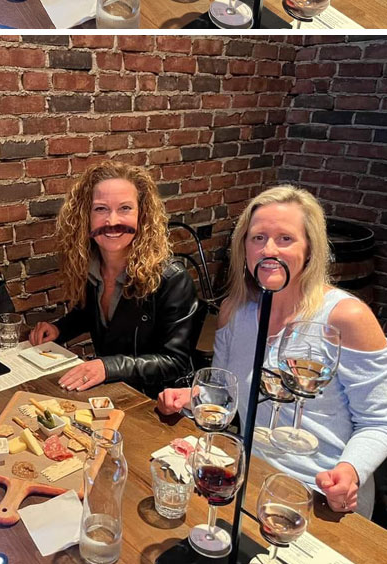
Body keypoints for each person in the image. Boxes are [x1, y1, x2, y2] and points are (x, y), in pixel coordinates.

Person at [157, 185, 387, 519]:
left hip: (322, 495)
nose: (269, 249)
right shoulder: (235, 311)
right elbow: (221, 392)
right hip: (250, 476)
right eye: (258, 238)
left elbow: (379, 420)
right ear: (244, 248)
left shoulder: (345, 317)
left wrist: (351, 472)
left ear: (309, 248)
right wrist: (191, 396)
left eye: (285, 239)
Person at [28, 161, 198, 397]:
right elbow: (90, 314)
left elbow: (175, 361)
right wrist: (59, 329)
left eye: (125, 208)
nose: (111, 221)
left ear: (143, 214)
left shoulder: (172, 278)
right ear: (85, 217)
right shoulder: (90, 264)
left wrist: (107, 367)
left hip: (156, 403)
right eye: (100, 209)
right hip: (113, 393)